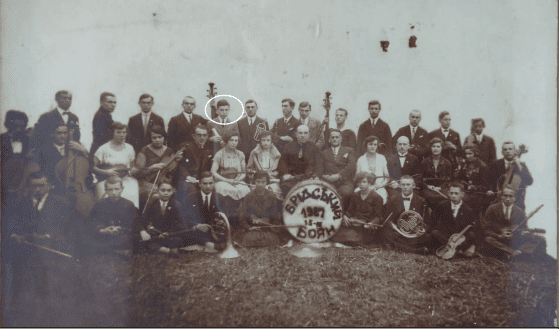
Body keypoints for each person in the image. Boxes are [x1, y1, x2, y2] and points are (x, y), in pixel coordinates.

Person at [81, 175, 138, 257]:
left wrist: (119, 229)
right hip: (104, 234)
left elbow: (134, 223)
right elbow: (91, 222)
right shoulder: (100, 204)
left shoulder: (129, 205)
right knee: (86, 238)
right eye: (110, 190)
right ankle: (116, 252)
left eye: (117, 189)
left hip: (120, 234)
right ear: (106, 191)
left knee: (128, 238)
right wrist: (103, 230)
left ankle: (105, 250)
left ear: (122, 189)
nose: (114, 192)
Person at [135, 179, 190, 256]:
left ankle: (160, 249)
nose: (166, 193)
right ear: (157, 190)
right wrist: (143, 231)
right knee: (139, 238)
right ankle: (167, 251)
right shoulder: (152, 203)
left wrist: (168, 233)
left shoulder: (176, 205)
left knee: (180, 239)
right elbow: (142, 220)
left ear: (173, 190)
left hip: (170, 235)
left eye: (169, 190)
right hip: (156, 235)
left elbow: (180, 224)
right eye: (163, 190)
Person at [135, 125, 181, 210]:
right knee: (156, 197)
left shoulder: (169, 151)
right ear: (150, 138)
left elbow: (172, 171)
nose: (157, 140)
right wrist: (151, 168)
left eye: (160, 137)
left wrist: (177, 161)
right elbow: (138, 173)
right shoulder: (144, 151)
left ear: (164, 137)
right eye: (154, 137)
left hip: (164, 184)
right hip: (148, 184)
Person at [93, 122, 139, 208]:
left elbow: (132, 167)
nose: (122, 135)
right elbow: (92, 166)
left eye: (124, 132)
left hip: (124, 179)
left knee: (133, 186)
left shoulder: (129, 148)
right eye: (118, 132)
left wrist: (132, 170)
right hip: (107, 180)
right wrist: (105, 172)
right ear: (112, 133)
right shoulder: (104, 148)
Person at [36, 122, 89, 194]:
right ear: (52, 134)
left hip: (76, 190)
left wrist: (84, 151)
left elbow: (89, 167)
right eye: (59, 133)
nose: (62, 136)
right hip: (54, 190)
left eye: (65, 133)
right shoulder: (43, 151)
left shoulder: (75, 148)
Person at [332, 172, 383, 246]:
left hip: (367, 227)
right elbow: (350, 211)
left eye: (364, 182)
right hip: (356, 224)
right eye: (359, 182)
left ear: (369, 183)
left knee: (353, 238)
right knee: (336, 234)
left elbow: (378, 217)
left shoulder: (377, 198)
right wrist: (345, 216)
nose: (362, 184)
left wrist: (371, 223)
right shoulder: (356, 195)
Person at [383, 175, 431, 252]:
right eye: (403, 185)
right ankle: (414, 250)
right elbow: (388, 220)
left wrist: (423, 230)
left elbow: (427, 222)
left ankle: (401, 247)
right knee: (386, 233)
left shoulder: (422, 201)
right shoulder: (393, 200)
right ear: (399, 186)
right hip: (398, 233)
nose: (405, 187)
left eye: (408, 185)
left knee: (428, 236)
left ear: (414, 186)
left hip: (414, 234)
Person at [210, 133, 250, 224]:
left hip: (237, 181)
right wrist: (227, 180)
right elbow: (213, 172)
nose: (234, 143)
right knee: (227, 189)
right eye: (231, 140)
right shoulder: (219, 154)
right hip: (223, 181)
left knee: (244, 189)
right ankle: (227, 219)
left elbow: (244, 172)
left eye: (236, 140)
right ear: (226, 141)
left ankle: (241, 219)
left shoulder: (240, 154)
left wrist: (238, 180)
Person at [429, 181, 477, 256]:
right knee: (434, 232)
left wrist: (461, 238)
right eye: (451, 193)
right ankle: (454, 250)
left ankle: (457, 249)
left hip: (458, 239)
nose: (453, 196)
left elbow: (471, 227)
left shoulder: (468, 210)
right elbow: (432, 221)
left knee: (471, 235)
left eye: (456, 193)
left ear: (462, 194)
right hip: (445, 237)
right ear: (448, 193)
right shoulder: (442, 205)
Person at [174, 124, 215, 211]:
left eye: (204, 135)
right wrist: (187, 176)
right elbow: (180, 166)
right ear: (193, 136)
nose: (202, 138)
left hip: (203, 179)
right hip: (187, 178)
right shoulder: (186, 147)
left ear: (207, 136)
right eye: (199, 135)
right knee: (189, 189)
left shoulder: (210, 148)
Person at [182, 172, 226, 252]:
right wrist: (197, 225)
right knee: (185, 231)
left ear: (214, 184)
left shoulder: (220, 198)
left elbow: (224, 216)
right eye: (205, 183)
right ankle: (210, 245)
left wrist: (220, 222)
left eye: (210, 183)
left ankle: (203, 245)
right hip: (197, 230)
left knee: (229, 230)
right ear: (199, 184)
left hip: (213, 231)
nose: (208, 186)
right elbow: (185, 217)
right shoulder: (190, 198)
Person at [481, 187, 527, 260]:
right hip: (497, 240)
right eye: (505, 196)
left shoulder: (520, 212)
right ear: (501, 197)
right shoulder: (492, 208)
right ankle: (513, 252)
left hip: (513, 240)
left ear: (515, 198)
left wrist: (521, 231)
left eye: (511, 196)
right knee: (488, 239)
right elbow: (486, 229)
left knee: (535, 238)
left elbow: (524, 228)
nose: (508, 199)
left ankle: (505, 253)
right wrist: (499, 236)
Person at [238, 171, 282, 247]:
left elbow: (275, 214)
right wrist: (249, 227)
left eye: (263, 182)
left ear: (266, 182)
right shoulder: (249, 196)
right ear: (254, 181)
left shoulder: (271, 196)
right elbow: (242, 216)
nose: (260, 184)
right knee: (249, 238)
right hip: (253, 228)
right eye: (258, 182)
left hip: (266, 228)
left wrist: (273, 226)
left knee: (273, 239)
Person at [278, 125, 324, 197]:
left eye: (305, 133)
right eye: (300, 133)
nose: (303, 135)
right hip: (291, 178)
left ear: (309, 135)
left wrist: (316, 176)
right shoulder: (288, 146)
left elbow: (319, 164)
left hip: (308, 178)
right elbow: (282, 162)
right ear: (296, 134)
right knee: (286, 188)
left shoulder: (314, 148)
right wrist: (285, 174)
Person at [487, 141, 533, 210]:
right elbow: (489, 180)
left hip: (516, 200)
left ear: (515, 151)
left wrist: (518, 165)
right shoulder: (495, 164)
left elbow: (529, 181)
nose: (508, 151)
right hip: (499, 199)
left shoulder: (521, 165)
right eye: (505, 149)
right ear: (502, 152)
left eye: (510, 149)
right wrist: (490, 190)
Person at [1, 110, 33, 199]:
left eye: (22, 126)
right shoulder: (2, 139)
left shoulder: (28, 140)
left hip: (24, 185)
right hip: (5, 185)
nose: (19, 129)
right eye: (16, 126)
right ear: (8, 124)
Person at [321, 129, 357, 208]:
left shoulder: (349, 150)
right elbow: (320, 167)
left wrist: (339, 175)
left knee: (347, 193)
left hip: (345, 181)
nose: (334, 139)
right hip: (329, 181)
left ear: (341, 139)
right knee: (325, 193)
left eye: (337, 137)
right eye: (332, 137)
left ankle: (342, 214)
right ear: (329, 140)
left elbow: (352, 166)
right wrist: (323, 176)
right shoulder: (323, 153)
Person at [456, 143, 491, 217]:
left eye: (470, 153)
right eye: (466, 154)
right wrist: (461, 185)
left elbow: (486, 187)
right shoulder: (465, 164)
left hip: (478, 194)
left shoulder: (483, 167)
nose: (467, 156)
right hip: (465, 191)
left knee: (463, 200)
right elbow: (459, 178)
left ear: (475, 153)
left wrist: (474, 187)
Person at [246, 130, 283, 200]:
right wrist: (256, 174)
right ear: (260, 141)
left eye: (268, 140)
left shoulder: (277, 155)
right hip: (257, 180)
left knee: (274, 192)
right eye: (263, 140)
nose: (266, 143)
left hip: (272, 180)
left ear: (271, 141)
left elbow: (279, 170)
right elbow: (248, 169)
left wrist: (271, 175)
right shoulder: (254, 153)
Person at [386, 136, 423, 201]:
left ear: (408, 146)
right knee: (394, 198)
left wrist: (411, 185)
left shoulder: (414, 159)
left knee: (415, 199)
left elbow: (418, 176)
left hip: (410, 188)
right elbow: (388, 174)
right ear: (396, 146)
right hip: (395, 188)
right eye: (400, 144)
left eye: (404, 144)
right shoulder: (390, 159)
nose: (402, 146)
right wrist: (392, 182)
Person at [419, 137, 452, 209]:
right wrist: (428, 186)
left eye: (438, 146)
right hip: (428, 188)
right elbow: (420, 179)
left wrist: (440, 187)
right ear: (430, 148)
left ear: (441, 148)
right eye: (433, 146)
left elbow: (448, 179)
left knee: (446, 198)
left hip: (442, 188)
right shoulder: (424, 162)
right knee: (429, 197)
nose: (436, 148)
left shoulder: (447, 163)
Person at [355, 136, 389, 204]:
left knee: (381, 197)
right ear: (366, 145)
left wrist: (377, 186)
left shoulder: (382, 158)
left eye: (375, 144)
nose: (373, 146)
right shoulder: (361, 160)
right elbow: (357, 178)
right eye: (370, 144)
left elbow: (387, 178)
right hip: (363, 187)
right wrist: (365, 187)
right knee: (356, 193)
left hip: (379, 187)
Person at [90, 92, 117, 159]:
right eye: (110, 102)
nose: (113, 105)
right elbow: (103, 138)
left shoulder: (106, 114)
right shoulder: (101, 116)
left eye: (114, 102)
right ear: (101, 103)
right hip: (100, 152)